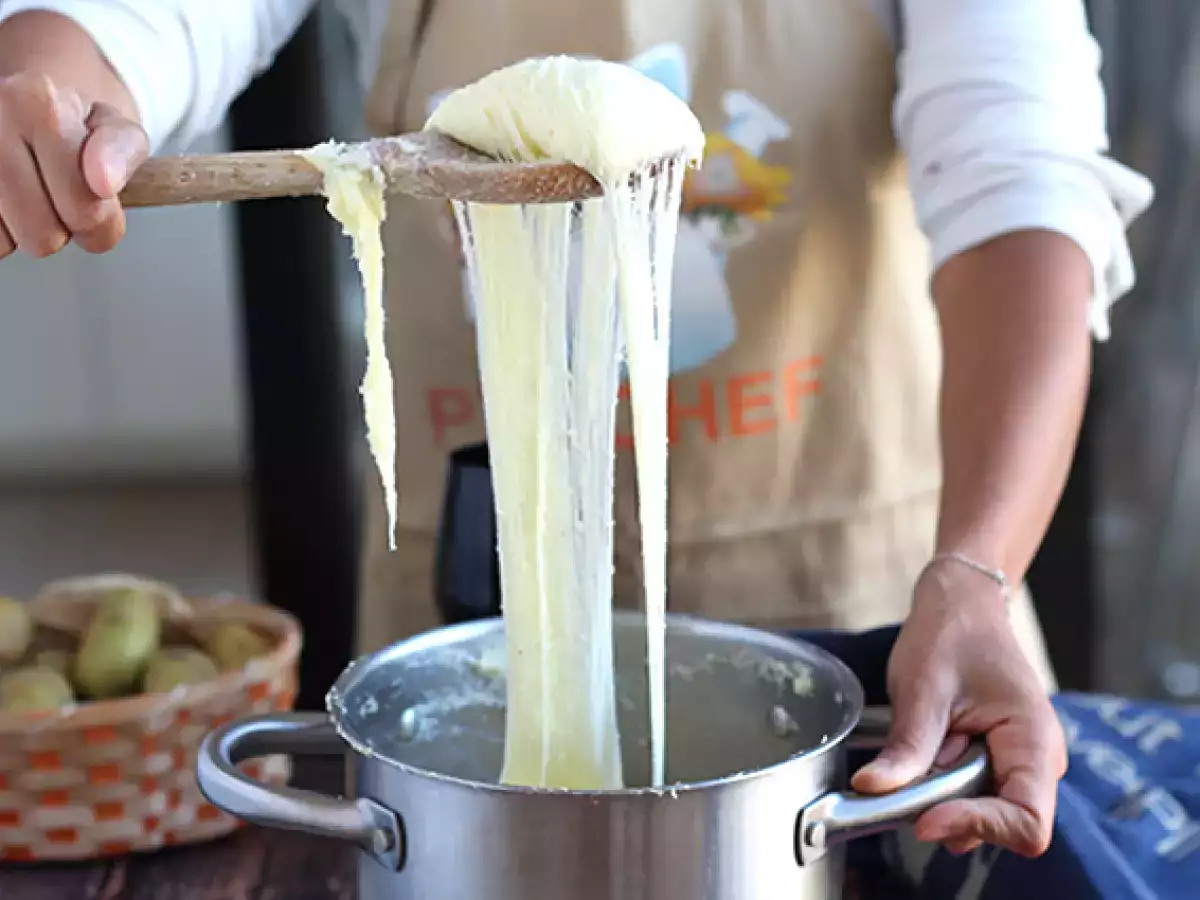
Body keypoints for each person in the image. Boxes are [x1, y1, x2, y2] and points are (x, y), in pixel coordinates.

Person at [0, 0, 1153, 862]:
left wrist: (976, 571)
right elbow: (144, 21)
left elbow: (1023, 181)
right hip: (475, 622)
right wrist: (44, 94)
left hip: (883, 648)